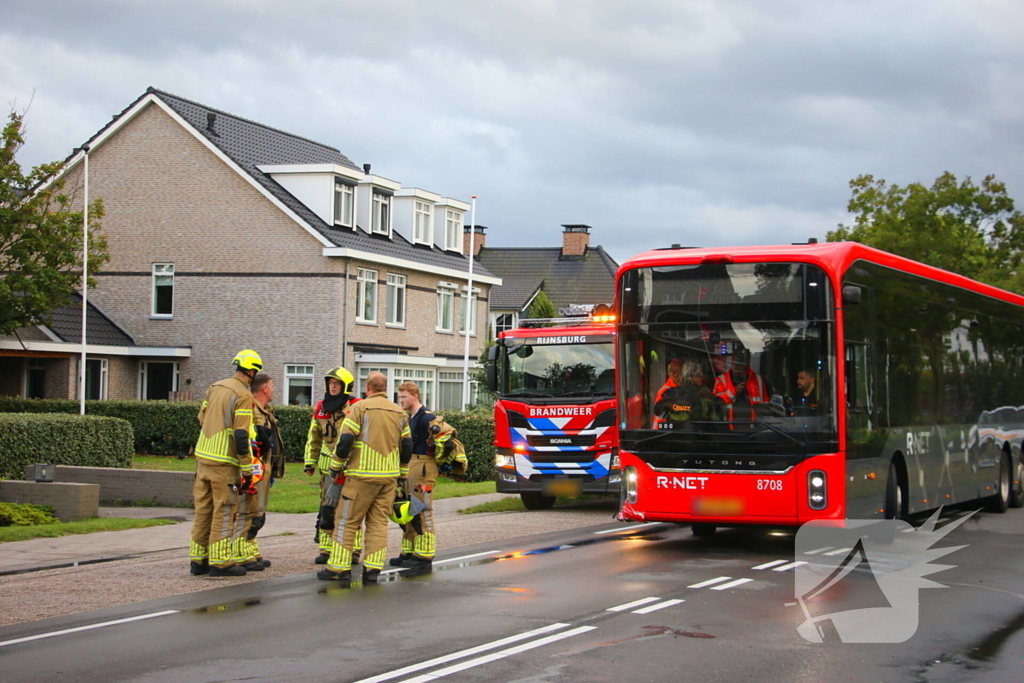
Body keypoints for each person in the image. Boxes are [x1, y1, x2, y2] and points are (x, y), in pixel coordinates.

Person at [319, 371, 412, 583]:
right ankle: (372, 569)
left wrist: (335, 467)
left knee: (347, 521)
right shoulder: (399, 412)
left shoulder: (359, 408)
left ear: (367, 388)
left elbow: (345, 441)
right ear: (385, 389)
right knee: (378, 523)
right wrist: (403, 473)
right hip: (388, 477)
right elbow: (407, 445)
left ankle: (338, 567)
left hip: (360, 476)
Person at [189, 349, 262, 577]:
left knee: (203, 510)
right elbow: (241, 435)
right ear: (251, 371)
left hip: (203, 459)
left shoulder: (215, 387)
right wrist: (247, 467)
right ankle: (220, 561)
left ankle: (198, 559)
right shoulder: (243, 395)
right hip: (225, 464)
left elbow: (201, 418)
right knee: (224, 509)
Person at [303, 366, 361, 564]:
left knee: (350, 510)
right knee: (327, 509)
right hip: (328, 469)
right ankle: (326, 549)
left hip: (351, 467)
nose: (332, 386)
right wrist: (310, 462)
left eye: (336, 383)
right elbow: (314, 437)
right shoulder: (320, 407)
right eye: (330, 383)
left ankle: (353, 550)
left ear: (346, 386)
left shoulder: (357, 406)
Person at [233, 372, 285, 569]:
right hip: (255, 468)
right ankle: (240, 551)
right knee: (250, 512)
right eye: (272, 386)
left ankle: (250, 548)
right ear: (264, 388)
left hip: (265, 467)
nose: (273, 389)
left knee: (258, 512)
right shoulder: (253, 409)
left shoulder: (265, 410)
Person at [390, 381, 438, 570]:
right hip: (412, 465)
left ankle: (425, 554)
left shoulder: (427, 418)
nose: (399, 400)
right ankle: (408, 551)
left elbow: (442, 441)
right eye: (399, 396)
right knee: (408, 510)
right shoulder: (411, 417)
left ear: (415, 396)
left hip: (423, 466)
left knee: (421, 509)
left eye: (403, 397)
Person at [654, 359, 717, 427]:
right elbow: (660, 420)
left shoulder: (704, 392)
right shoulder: (667, 392)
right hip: (676, 435)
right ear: (690, 376)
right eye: (699, 376)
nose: (702, 378)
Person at [712, 348, 769, 424]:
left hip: (754, 427)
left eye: (741, 364)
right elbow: (715, 403)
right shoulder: (721, 380)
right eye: (736, 363)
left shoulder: (758, 379)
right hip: (727, 425)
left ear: (747, 363)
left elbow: (765, 404)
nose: (738, 367)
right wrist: (733, 391)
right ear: (732, 363)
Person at [652, 357, 683, 428]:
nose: (684, 377)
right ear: (675, 375)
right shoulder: (664, 391)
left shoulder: (680, 388)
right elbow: (660, 418)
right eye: (682, 374)